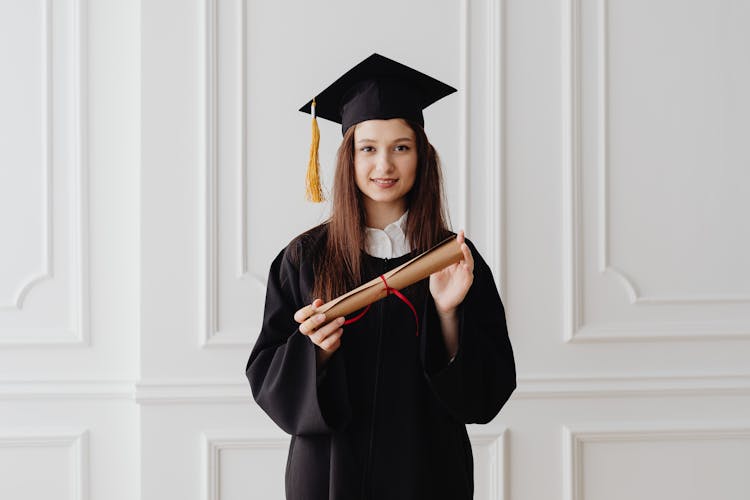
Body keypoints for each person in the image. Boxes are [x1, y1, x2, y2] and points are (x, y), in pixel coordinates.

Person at [245, 53, 516, 500]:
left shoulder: (452, 259)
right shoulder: (304, 259)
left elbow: (486, 393)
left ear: (422, 155)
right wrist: (314, 352)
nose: (384, 165)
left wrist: (448, 314)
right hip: (330, 476)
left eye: (401, 147)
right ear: (348, 157)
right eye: (368, 148)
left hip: (428, 472)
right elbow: (267, 379)